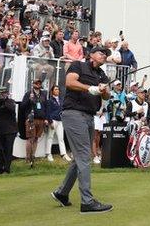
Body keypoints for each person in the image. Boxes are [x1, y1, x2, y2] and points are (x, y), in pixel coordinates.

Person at [51, 45, 113, 214]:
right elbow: (70, 82)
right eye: (101, 53)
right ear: (91, 54)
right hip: (73, 113)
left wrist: (103, 89)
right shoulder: (78, 65)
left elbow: (106, 96)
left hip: (89, 116)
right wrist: (90, 88)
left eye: (106, 55)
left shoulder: (101, 74)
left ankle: (62, 193)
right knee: (85, 156)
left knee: (78, 158)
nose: (104, 56)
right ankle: (87, 202)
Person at [20, 79, 48, 166]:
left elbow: (46, 106)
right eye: (36, 83)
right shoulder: (28, 94)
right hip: (31, 119)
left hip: (41, 119)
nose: (38, 84)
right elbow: (22, 106)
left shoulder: (43, 94)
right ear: (33, 84)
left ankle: (33, 156)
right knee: (30, 138)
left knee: (36, 138)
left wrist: (46, 118)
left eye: (39, 83)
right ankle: (28, 158)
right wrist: (29, 99)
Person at [0, 87, 17, 174]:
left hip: (10, 130)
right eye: (1, 93)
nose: (3, 94)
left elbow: (11, 109)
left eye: (5, 93)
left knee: (8, 149)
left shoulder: (10, 101)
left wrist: (3, 101)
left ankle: (7, 168)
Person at [45, 85, 71, 162]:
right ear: (52, 91)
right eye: (56, 89)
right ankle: (48, 153)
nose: (57, 91)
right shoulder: (50, 100)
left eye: (58, 89)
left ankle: (63, 154)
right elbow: (48, 112)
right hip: (53, 120)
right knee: (50, 137)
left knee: (61, 138)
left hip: (60, 120)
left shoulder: (61, 100)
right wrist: (50, 121)